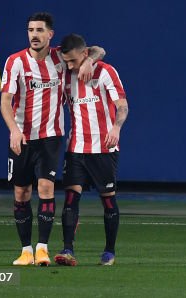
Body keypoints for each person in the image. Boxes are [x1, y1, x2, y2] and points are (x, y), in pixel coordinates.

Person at [0, 13, 102, 267]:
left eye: (39, 30)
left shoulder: (60, 57)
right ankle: (25, 251)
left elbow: (99, 49)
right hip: (22, 136)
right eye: (30, 30)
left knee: (46, 188)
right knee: (22, 192)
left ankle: (42, 249)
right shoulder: (15, 62)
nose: (34, 34)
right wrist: (13, 129)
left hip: (51, 136)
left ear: (50, 34)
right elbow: (4, 101)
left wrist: (89, 61)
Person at [52, 34, 128, 268]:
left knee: (108, 199)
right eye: (68, 62)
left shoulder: (105, 72)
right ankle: (67, 249)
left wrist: (116, 127)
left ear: (84, 55)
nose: (70, 66)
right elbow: (99, 48)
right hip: (76, 148)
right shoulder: (65, 73)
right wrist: (83, 62)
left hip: (104, 147)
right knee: (71, 198)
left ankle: (109, 251)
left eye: (74, 61)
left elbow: (122, 106)